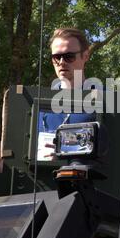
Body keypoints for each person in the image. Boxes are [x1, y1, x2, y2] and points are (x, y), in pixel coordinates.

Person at [40, 28, 97, 159]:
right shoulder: (38, 103)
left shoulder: (106, 100)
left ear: (86, 56)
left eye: (69, 57)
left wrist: (64, 151)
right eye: (56, 57)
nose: (61, 62)